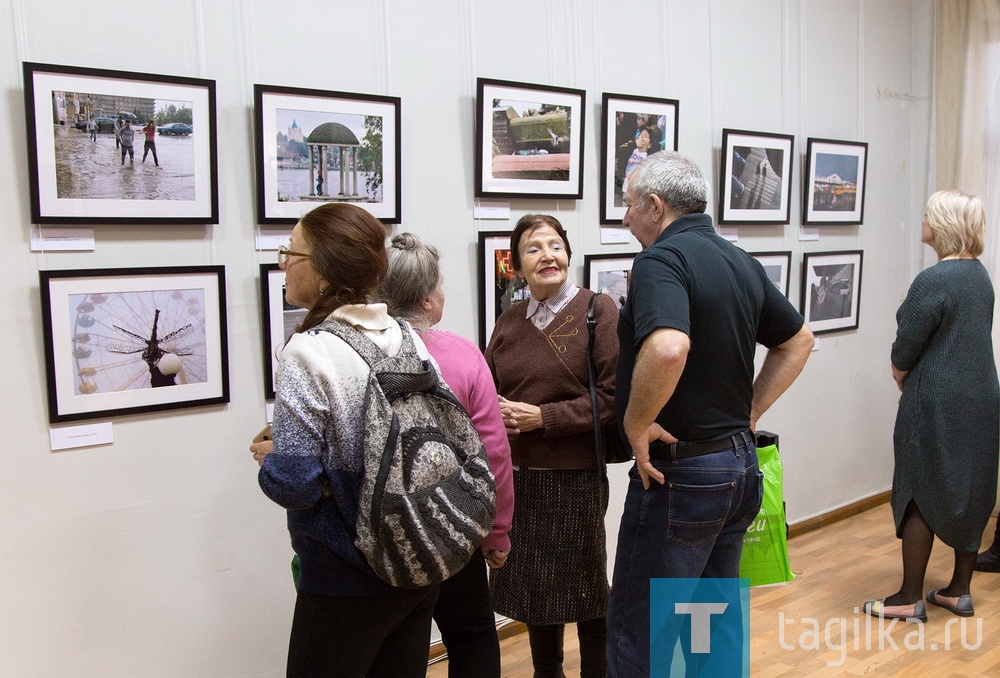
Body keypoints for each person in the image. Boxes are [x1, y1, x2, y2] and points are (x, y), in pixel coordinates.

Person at [606, 151, 813, 676]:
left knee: (641, 633)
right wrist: (751, 410)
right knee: (709, 625)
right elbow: (798, 341)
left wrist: (633, 423)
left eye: (629, 206)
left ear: (654, 206)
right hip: (739, 470)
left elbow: (670, 346)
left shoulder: (660, 260)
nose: (625, 217)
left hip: (684, 479)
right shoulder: (737, 259)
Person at [254, 203, 440, 677]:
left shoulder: (309, 351)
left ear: (320, 271)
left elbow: (294, 484)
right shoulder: (405, 335)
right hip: (416, 556)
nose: (282, 262)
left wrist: (269, 458)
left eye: (289, 251)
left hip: (344, 574)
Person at [485, 214, 617, 678]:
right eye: (533, 248)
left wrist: (545, 417)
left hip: (576, 476)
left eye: (555, 245)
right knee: (538, 592)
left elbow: (613, 398)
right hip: (519, 481)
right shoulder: (508, 321)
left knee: (586, 586)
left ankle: (596, 672)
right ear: (517, 267)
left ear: (568, 254)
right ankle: (547, 672)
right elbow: (487, 391)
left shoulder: (597, 310)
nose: (547, 255)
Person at [379, 232, 514, 678]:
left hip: (384, 532)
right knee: (472, 633)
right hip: (455, 528)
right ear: (426, 297)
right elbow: (493, 452)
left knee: (397, 645)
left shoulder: (352, 355)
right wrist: (497, 532)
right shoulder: (461, 355)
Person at [863, 190, 999, 622]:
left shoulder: (934, 280)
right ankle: (958, 591)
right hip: (982, 393)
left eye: (927, 214)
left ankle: (908, 597)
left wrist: (899, 372)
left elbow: (908, 345)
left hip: (936, 398)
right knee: (972, 483)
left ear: (941, 225)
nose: (921, 220)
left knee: (919, 486)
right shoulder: (980, 276)